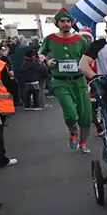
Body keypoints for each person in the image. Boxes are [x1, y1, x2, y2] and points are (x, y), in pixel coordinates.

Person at [40, 9, 93, 153]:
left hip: (79, 81)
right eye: (62, 21)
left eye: (68, 21)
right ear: (57, 23)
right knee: (70, 113)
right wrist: (47, 61)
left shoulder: (80, 40)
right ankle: (73, 131)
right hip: (60, 81)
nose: (65, 24)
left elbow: (89, 57)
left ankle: (83, 143)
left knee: (86, 115)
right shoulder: (50, 39)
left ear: (72, 23)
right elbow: (41, 54)